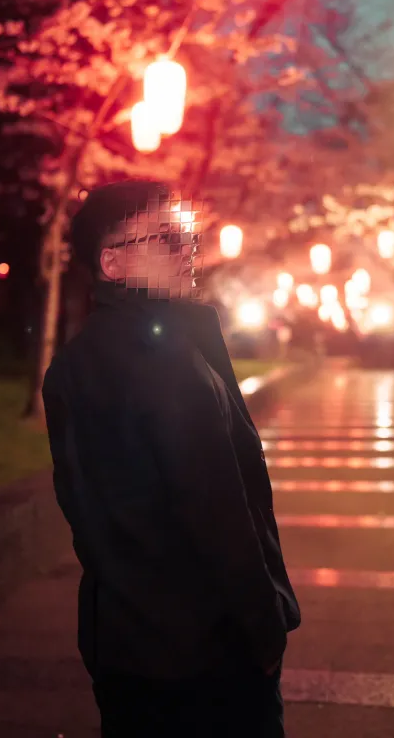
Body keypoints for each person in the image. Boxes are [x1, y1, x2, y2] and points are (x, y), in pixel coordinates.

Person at [42, 180, 300, 738]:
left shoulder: (70, 366)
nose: (187, 251)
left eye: (185, 236)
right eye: (164, 238)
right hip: (209, 653)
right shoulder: (172, 362)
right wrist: (264, 631)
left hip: (121, 644)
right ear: (112, 263)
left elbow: (81, 509)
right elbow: (220, 516)